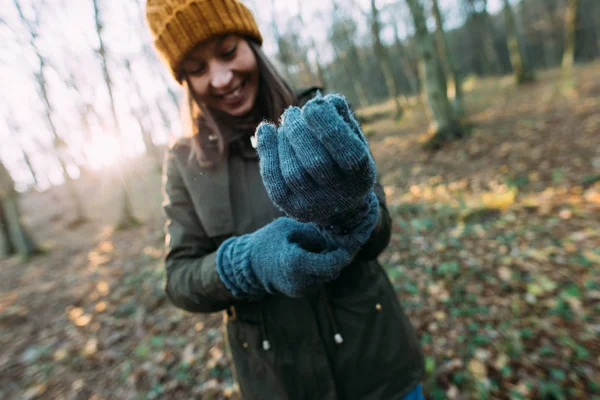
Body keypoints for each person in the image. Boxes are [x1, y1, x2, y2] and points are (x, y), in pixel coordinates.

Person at [145, 1, 424, 399]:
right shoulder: (184, 163)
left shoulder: (317, 113)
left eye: (227, 52)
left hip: (377, 365)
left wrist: (351, 212)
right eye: (197, 68)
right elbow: (180, 280)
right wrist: (247, 263)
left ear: (252, 44)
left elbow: (380, 233)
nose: (221, 78)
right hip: (282, 381)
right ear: (184, 81)